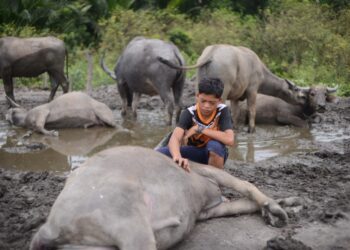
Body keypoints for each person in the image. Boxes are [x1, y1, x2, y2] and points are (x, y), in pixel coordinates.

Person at [157, 77, 234, 171]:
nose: (206, 106)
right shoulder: (189, 112)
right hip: (195, 151)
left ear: (219, 101)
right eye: (203, 101)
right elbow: (175, 138)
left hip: (215, 152)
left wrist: (200, 129)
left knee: (214, 145)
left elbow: (229, 139)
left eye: (211, 103)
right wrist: (177, 157)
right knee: (158, 153)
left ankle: (215, 178)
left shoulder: (222, 110)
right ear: (197, 96)